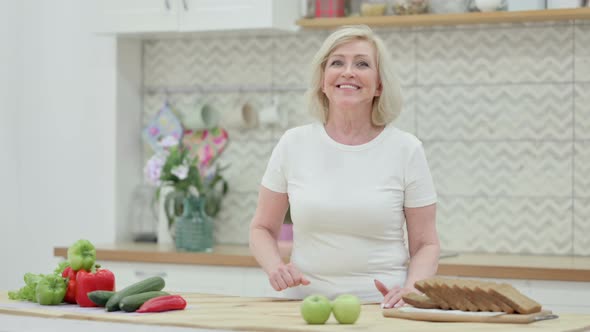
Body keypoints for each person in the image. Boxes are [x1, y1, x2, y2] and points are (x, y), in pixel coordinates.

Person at [249, 25, 439, 309]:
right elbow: (261, 228)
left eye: (362, 64)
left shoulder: (406, 149)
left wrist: (412, 288)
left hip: (382, 309)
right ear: (323, 82)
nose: (348, 71)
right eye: (337, 63)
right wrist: (275, 266)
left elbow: (426, 244)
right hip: (303, 308)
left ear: (379, 85)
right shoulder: (293, 143)